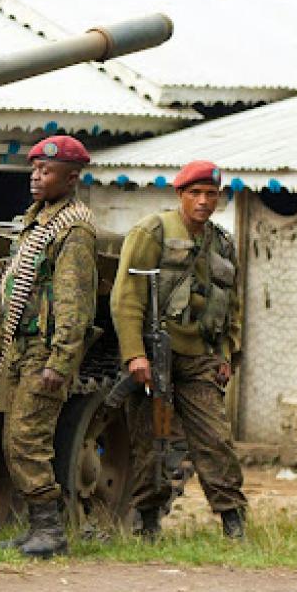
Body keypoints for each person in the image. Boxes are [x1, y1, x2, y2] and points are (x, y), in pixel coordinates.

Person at [110, 160, 247, 539]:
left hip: (200, 355)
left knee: (215, 439)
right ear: (180, 194)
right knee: (150, 441)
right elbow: (127, 297)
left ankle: (233, 522)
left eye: (211, 194)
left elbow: (233, 305)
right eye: (195, 193)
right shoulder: (152, 232)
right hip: (155, 353)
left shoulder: (221, 243)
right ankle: (147, 521)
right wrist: (135, 354)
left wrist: (227, 353)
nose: (203, 201)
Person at [0, 135, 98, 558]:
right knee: (14, 439)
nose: (35, 177)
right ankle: (38, 528)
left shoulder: (73, 229)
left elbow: (74, 302)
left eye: (46, 171)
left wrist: (61, 361)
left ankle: (50, 531)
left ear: (71, 178)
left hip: (44, 351)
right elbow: (22, 289)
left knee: (27, 439)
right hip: (23, 345)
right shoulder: (39, 220)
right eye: (34, 169)